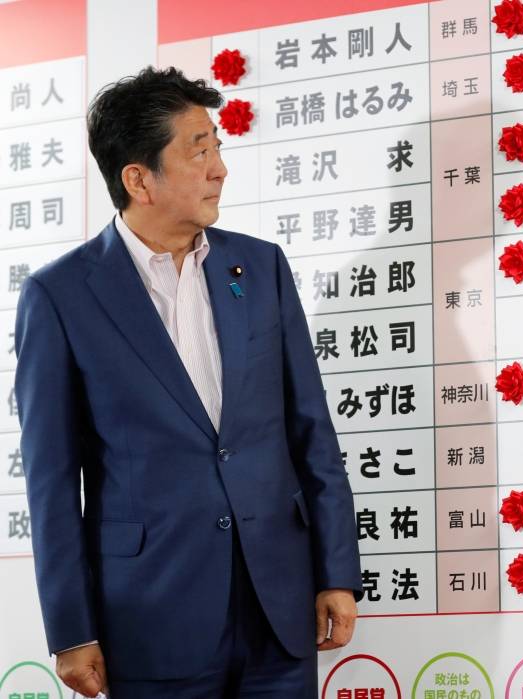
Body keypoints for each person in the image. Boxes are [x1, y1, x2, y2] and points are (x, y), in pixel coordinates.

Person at [12, 66, 362, 698]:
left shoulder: (260, 267)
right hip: (149, 616)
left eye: (218, 147)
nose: (219, 168)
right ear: (139, 179)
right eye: (199, 150)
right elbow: (52, 482)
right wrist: (71, 629)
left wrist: (337, 571)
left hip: (278, 608)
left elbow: (311, 427)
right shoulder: (59, 297)